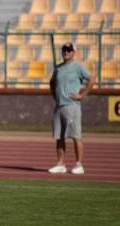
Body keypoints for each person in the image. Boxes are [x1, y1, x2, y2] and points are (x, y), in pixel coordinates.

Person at [48, 42, 95, 175]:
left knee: (75, 136)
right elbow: (51, 83)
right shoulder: (58, 68)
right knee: (59, 137)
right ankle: (61, 164)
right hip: (59, 107)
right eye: (64, 50)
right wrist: (54, 96)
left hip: (72, 106)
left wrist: (81, 95)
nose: (66, 52)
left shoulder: (78, 66)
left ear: (74, 52)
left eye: (69, 50)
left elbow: (91, 80)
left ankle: (79, 165)